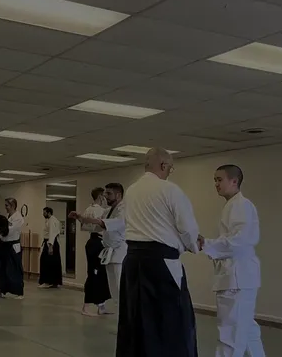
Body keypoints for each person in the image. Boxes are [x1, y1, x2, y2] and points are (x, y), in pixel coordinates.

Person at [116, 148, 200, 357]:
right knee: (170, 320)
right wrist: (194, 246)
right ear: (163, 165)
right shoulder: (169, 190)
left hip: (132, 261)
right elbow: (187, 228)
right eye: (170, 167)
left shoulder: (131, 190)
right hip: (161, 263)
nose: (170, 171)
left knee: (134, 319)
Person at [199, 165, 265, 357]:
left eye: (219, 180)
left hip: (237, 279)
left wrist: (206, 244)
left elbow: (239, 241)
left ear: (234, 181)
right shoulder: (233, 206)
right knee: (247, 330)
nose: (216, 184)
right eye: (215, 180)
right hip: (238, 277)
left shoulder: (241, 206)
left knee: (231, 335)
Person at [85, 183, 127, 311]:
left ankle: (126, 315)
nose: (106, 196)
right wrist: (83, 219)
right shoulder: (108, 211)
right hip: (109, 252)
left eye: (109, 193)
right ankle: (119, 313)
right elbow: (98, 226)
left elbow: (115, 223)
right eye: (105, 193)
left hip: (120, 252)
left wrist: (92, 220)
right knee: (113, 288)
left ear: (118, 195)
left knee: (121, 287)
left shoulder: (124, 209)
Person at [69, 187, 111, 316]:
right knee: (95, 273)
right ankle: (86, 306)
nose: (106, 198)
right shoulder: (101, 211)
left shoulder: (88, 210)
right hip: (97, 243)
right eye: (105, 195)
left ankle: (101, 306)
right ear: (100, 197)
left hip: (94, 242)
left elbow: (84, 225)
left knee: (101, 274)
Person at [0, 197, 24, 299]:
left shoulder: (18, 218)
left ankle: (19, 292)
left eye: (7, 205)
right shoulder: (8, 216)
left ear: (13, 206)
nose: (5, 207)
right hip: (4, 245)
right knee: (0, 268)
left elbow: (9, 230)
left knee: (14, 269)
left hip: (13, 246)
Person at [38, 207, 63, 289]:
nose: (43, 214)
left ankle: (47, 282)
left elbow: (52, 233)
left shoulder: (52, 220)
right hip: (51, 242)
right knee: (53, 262)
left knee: (46, 262)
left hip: (51, 243)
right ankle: (54, 282)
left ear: (49, 213)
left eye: (44, 212)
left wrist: (50, 246)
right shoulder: (51, 220)